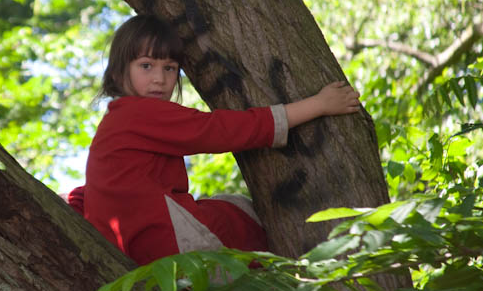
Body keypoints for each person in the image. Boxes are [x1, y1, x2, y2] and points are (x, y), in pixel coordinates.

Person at [66, 14, 361, 265]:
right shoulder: (138, 113)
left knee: (227, 209)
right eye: (146, 66)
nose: (159, 78)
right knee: (243, 214)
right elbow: (220, 130)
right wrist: (318, 105)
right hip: (170, 249)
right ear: (119, 74)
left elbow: (97, 191)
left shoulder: (115, 123)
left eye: (169, 68)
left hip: (142, 258)